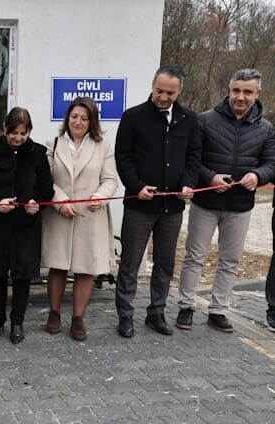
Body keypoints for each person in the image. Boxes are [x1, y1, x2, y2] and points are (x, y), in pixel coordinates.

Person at [176, 69, 275, 333]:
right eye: (236, 90)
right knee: (194, 257)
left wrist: (257, 174)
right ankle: (185, 306)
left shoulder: (266, 129)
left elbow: (271, 163)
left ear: (257, 93)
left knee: (230, 261)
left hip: (240, 206)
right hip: (205, 202)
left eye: (247, 92)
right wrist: (210, 178)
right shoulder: (205, 120)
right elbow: (192, 159)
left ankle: (218, 309)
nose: (240, 97)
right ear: (229, 90)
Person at [114, 65, 201, 338]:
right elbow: (122, 156)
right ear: (152, 86)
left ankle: (157, 312)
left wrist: (189, 183)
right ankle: (125, 316)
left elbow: (194, 157)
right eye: (160, 91)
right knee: (130, 263)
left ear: (179, 91)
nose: (164, 97)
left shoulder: (189, 119)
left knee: (164, 263)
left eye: (170, 93)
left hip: (172, 208)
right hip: (139, 205)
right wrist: (136, 186)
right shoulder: (133, 117)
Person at [0, 106, 53, 344]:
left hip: (25, 226)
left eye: (23, 133)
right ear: (5, 129)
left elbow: (46, 188)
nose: (17, 138)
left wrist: (36, 203)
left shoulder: (38, 153)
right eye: (13, 132)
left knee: (22, 276)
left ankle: (17, 322)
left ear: (29, 132)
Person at [41, 97, 118, 341]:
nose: (78, 121)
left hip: (89, 215)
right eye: (74, 116)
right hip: (59, 215)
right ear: (67, 118)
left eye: (84, 118)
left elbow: (110, 180)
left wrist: (100, 196)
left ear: (92, 121)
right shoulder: (53, 143)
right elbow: (46, 181)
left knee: (86, 269)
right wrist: (60, 201)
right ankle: (54, 314)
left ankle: (78, 318)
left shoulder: (102, 145)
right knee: (58, 266)